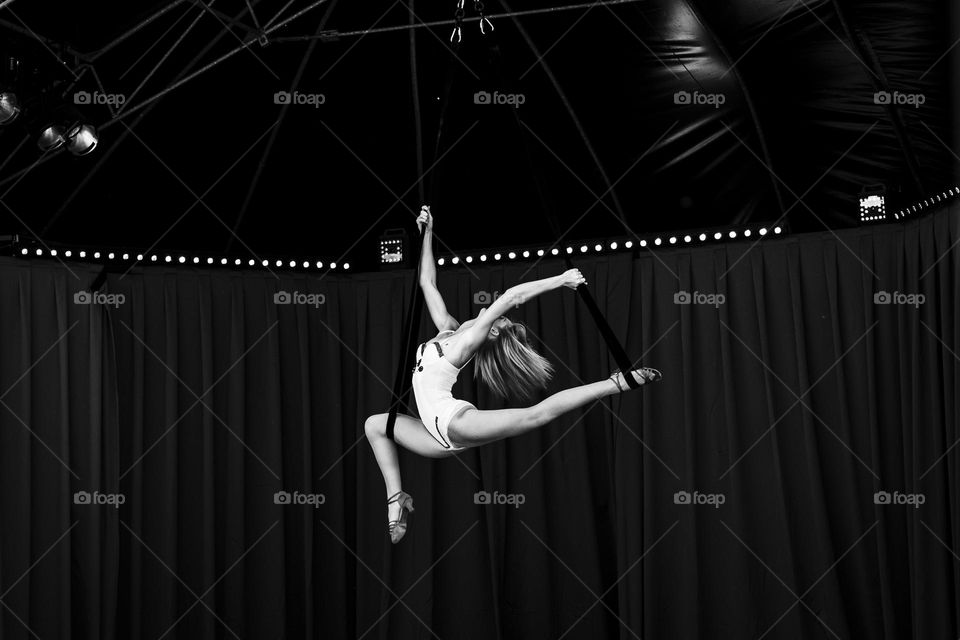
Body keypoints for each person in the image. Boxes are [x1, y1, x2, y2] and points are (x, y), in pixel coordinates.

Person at [364, 206, 661, 543]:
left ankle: (616, 383)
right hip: (432, 439)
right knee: (374, 425)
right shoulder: (446, 331)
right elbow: (426, 281)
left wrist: (562, 280)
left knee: (534, 416)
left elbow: (512, 296)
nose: (490, 316)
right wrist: (428, 233)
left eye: (496, 320)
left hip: (452, 424)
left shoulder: (466, 345)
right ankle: (395, 499)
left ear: (490, 333)